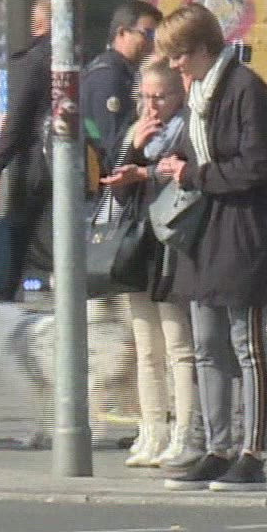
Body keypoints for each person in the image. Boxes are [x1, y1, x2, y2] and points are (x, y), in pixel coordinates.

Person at [152, 3, 267, 492]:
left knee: (246, 345)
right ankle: (218, 447)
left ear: (202, 48)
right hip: (206, 233)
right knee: (207, 345)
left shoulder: (245, 89)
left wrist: (194, 174)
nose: (175, 66)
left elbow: (259, 165)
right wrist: (165, 165)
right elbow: (193, 153)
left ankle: (253, 452)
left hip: (246, 233)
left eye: (179, 55)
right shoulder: (198, 95)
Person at [102, 61, 203, 468]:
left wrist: (145, 168)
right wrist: (133, 148)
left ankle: (184, 431)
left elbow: (183, 179)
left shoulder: (188, 130)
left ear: (179, 95)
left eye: (160, 97)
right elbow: (116, 192)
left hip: (173, 245)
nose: (151, 106)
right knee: (146, 348)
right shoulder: (136, 130)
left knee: (179, 346)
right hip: (140, 245)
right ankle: (152, 429)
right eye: (144, 97)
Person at [0, 0, 52, 302]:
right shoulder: (80, 58)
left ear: (37, 25)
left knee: (20, 229)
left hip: (36, 160)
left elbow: (17, 121)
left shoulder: (33, 61)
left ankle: (7, 293)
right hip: (73, 159)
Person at [82, 0, 164, 169]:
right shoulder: (109, 77)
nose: (152, 43)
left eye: (156, 37)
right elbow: (113, 151)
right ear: (121, 33)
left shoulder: (123, 72)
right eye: (147, 34)